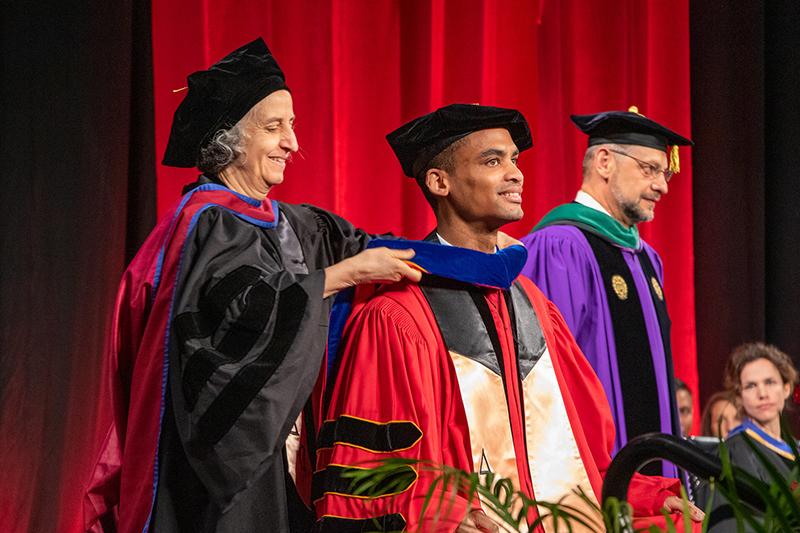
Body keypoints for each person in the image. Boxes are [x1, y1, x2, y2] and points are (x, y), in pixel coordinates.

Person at [81, 38, 421, 533]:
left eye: (293, 125)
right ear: (229, 139)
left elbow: (377, 248)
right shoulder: (207, 226)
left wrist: (475, 252)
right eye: (274, 127)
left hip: (282, 464)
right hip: (215, 482)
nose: (293, 143)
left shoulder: (294, 224)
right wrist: (343, 276)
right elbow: (236, 329)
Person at [311, 104, 702, 532]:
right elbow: (373, 474)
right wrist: (448, 518)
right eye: (493, 160)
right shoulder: (398, 315)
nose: (515, 173)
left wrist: (645, 496)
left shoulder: (533, 303)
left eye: (514, 159)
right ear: (440, 182)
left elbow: (583, 465)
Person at [519, 107, 693, 477]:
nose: (662, 185)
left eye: (665, 173)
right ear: (603, 162)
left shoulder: (648, 259)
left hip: (656, 485)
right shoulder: (558, 247)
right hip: (590, 481)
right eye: (649, 169)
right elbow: (547, 380)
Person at [707, 342, 798, 531]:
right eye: (750, 386)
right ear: (739, 397)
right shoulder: (734, 452)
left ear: (786, 388)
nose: (762, 394)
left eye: (770, 382)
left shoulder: (795, 448)